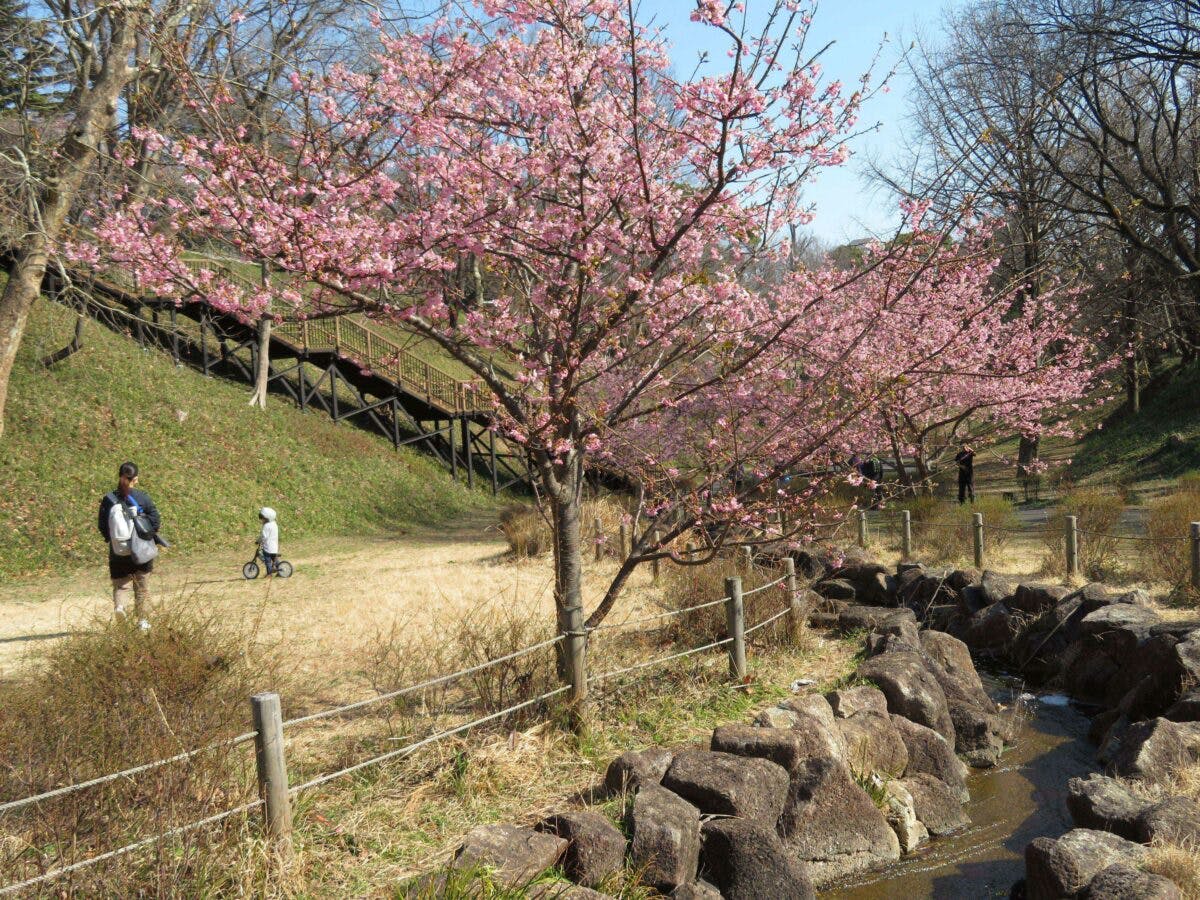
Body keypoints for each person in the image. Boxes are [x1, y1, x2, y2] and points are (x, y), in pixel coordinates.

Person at [97, 462, 161, 629]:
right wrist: (147, 535)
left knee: (121, 586)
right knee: (141, 588)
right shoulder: (142, 498)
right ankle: (142, 621)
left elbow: (103, 525)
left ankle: (120, 608)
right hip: (141, 550)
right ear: (136, 479)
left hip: (118, 551)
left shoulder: (108, 500)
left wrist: (112, 541)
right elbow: (155, 520)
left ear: (120, 476)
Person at [257, 507, 280, 576]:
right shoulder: (274, 524)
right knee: (274, 559)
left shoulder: (266, 526)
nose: (261, 520)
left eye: (262, 518)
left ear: (266, 518)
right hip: (274, 546)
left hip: (268, 547)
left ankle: (269, 573)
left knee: (267, 561)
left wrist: (259, 541)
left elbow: (264, 536)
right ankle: (280, 570)